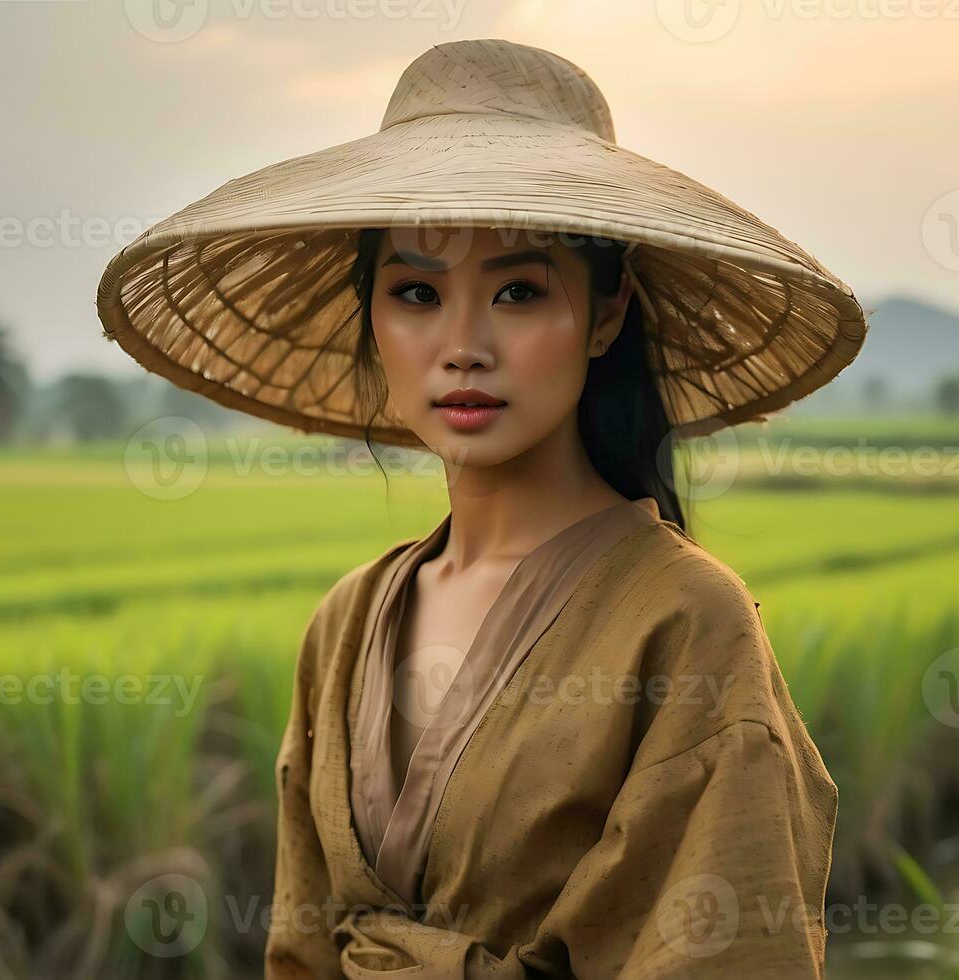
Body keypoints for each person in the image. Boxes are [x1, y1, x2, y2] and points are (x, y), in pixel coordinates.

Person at [98, 36, 866, 980]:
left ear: (606, 313)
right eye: (417, 291)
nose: (463, 345)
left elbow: (732, 948)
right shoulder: (344, 625)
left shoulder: (685, 620)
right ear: (372, 320)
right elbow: (299, 952)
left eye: (518, 290)